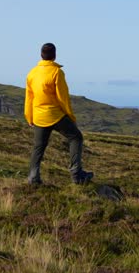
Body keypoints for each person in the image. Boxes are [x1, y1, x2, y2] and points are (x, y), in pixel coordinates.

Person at [24, 43, 94, 185]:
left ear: (41, 55)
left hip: (38, 116)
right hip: (54, 115)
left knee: (39, 146)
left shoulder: (32, 73)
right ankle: (76, 174)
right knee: (76, 137)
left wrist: (29, 117)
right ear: (54, 55)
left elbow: (29, 98)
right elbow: (63, 98)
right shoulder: (56, 72)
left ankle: (33, 177)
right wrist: (71, 116)